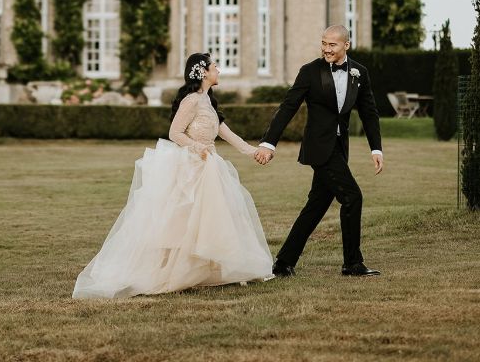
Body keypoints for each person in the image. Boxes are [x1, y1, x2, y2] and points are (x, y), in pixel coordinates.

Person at [72, 53, 274, 299]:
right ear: (203, 72)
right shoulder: (191, 101)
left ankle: (205, 271)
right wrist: (197, 147)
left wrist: (255, 152)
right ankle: (176, 271)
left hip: (209, 166)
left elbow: (227, 134)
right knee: (183, 221)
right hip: (192, 167)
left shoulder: (208, 101)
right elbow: (175, 133)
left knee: (210, 220)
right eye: (215, 67)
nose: (219, 70)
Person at [253, 25, 384, 277]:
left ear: (346, 45)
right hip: (318, 147)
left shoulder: (359, 73)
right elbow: (288, 106)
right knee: (352, 197)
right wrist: (269, 143)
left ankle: (283, 263)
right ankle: (352, 263)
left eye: (332, 44)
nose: (326, 49)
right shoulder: (310, 71)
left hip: (339, 149)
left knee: (316, 206)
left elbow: (369, 112)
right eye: (323, 43)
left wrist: (376, 148)